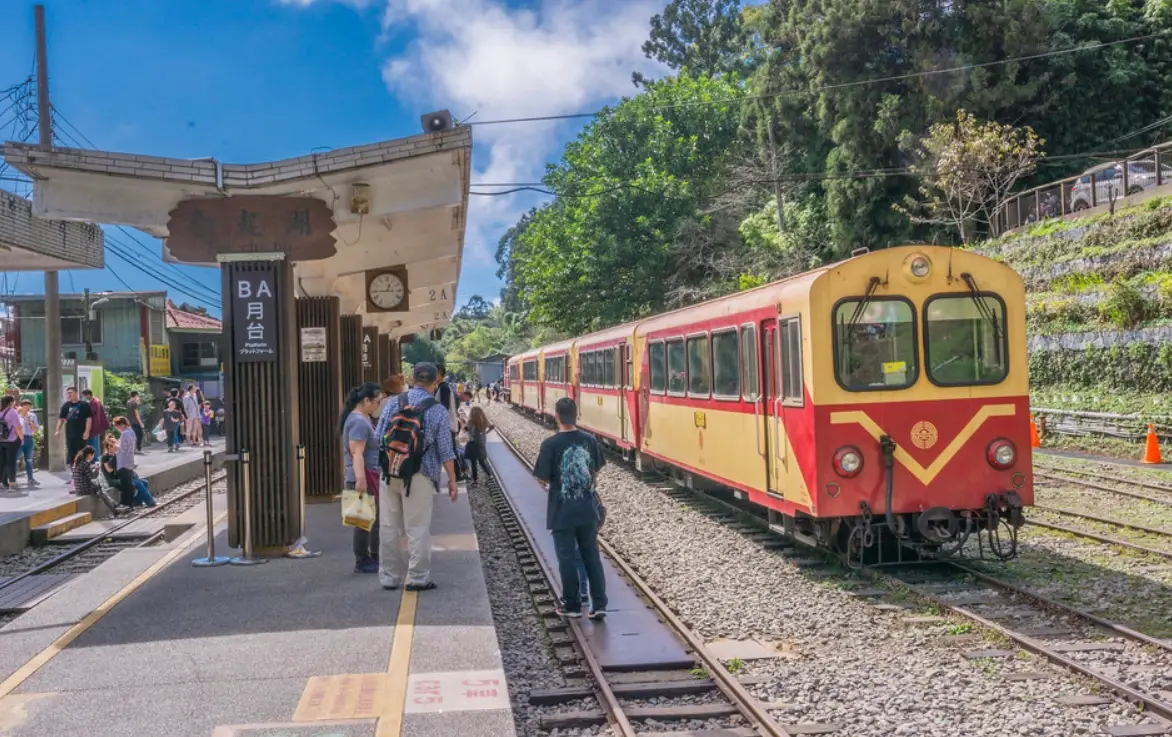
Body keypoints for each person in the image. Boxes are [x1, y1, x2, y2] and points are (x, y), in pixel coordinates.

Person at [374, 362, 459, 592]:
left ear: (412, 379)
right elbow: (446, 451)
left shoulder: (393, 403)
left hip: (390, 472)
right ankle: (417, 577)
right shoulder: (437, 410)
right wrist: (451, 481)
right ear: (434, 383)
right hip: (420, 475)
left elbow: (378, 437)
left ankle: (389, 577)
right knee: (417, 527)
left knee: (389, 526)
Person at [534, 397, 608, 620]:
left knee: (566, 558)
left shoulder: (550, 444)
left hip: (561, 511)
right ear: (576, 415)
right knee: (591, 556)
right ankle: (600, 604)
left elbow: (541, 478)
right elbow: (595, 469)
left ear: (557, 415)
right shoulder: (590, 440)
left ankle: (572, 605)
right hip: (587, 510)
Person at [342, 383, 384, 574]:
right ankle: (363, 559)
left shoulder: (361, 418)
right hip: (363, 475)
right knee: (363, 520)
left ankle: (371, 556)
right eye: (377, 402)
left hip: (367, 473)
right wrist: (360, 479)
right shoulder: (359, 422)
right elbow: (356, 452)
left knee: (369, 519)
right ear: (366, 401)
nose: (378, 405)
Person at [102, 432, 155, 507]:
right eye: (113, 446)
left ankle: (137, 501)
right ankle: (151, 502)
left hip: (122, 476)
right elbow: (109, 470)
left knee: (145, 482)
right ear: (109, 447)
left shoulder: (117, 454)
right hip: (113, 479)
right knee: (138, 484)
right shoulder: (105, 457)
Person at [73, 446, 129, 516]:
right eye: (93, 455)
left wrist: (92, 469)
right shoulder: (85, 464)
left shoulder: (78, 463)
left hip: (79, 489)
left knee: (101, 489)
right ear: (89, 455)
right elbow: (92, 478)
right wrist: (96, 471)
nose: (93, 457)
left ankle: (116, 506)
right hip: (84, 489)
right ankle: (115, 509)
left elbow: (86, 475)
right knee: (101, 491)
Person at [56, 386, 92, 486]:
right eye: (68, 393)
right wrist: (57, 430)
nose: (69, 395)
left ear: (76, 393)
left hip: (81, 434)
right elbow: (61, 419)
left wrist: (87, 431)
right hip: (70, 434)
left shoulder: (84, 405)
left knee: (81, 455)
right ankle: (74, 475)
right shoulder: (66, 406)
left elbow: (89, 419)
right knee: (72, 455)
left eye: (71, 392)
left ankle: (83, 475)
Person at [436, 363, 462, 479]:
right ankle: (458, 475)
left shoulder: (444, 388)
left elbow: (443, 408)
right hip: (448, 425)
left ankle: (457, 475)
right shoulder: (442, 387)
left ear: (440, 374)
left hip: (447, 425)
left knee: (449, 452)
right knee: (450, 450)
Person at [464, 405, 495, 487]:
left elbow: (466, 428)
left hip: (472, 444)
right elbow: (492, 426)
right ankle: (490, 476)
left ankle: (475, 481)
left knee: (473, 463)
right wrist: (486, 433)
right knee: (482, 462)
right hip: (481, 444)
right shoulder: (484, 421)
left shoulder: (471, 421)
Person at [0, 395, 23, 493]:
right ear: (11, 402)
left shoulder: (1, 412)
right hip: (12, 440)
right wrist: (21, 438)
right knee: (11, 462)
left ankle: (1, 483)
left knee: (2, 462)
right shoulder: (12, 412)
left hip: (1, 440)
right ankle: (12, 483)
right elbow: (18, 427)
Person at [17, 400, 39, 488]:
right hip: (18, 438)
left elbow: (35, 430)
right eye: (25, 405)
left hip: (29, 438)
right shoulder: (17, 416)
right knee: (16, 459)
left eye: (29, 405)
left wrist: (30, 422)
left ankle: (30, 478)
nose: (27, 407)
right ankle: (13, 480)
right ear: (21, 406)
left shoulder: (32, 416)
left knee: (29, 460)